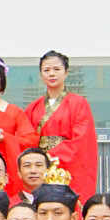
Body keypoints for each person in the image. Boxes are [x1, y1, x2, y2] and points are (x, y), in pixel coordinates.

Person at [27, 51, 100, 194]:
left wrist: (49, 156)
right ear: (41, 75)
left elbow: (81, 139)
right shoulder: (32, 107)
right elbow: (26, 138)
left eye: (56, 69)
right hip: (39, 168)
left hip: (66, 166)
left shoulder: (78, 103)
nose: (51, 74)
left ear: (66, 73)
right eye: (46, 70)